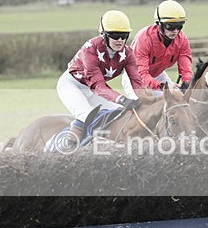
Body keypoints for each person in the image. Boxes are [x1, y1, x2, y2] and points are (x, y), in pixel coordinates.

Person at [51, 9, 145, 149]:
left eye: (124, 35)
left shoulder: (128, 54)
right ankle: (65, 149)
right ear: (104, 35)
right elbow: (97, 85)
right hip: (72, 85)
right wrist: (122, 99)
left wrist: (147, 100)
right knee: (87, 118)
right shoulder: (90, 49)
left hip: (93, 90)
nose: (120, 40)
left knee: (120, 115)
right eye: (115, 35)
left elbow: (137, 83)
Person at [122, 0, 192, 97]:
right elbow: (141, 74)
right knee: (141, 106)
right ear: (159, 24)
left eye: (180, 26)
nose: (176, 31)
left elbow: (186, 65)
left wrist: (186, 82)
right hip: (135, 76)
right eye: (170, 26)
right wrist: (163, 87)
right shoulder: (144, 39)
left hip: (159, 74)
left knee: (177, 101)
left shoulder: (182, 39)